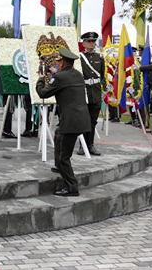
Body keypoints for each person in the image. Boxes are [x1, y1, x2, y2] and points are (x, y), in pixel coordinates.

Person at [36, 47, 91, 196]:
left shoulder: (60, 78)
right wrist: (56, 75)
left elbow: (43, 93)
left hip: (71, 121)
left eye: (58, 62)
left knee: (64, 156)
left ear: (62, 63)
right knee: (58, 133)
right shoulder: (77, 75)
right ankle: (58, 166)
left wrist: (41, 80)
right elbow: (66, 82)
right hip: (81, 119)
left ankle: (71, 187)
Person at [78, 32, 105, 156]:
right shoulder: (79, 58)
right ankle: (82, 146)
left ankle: (91, 145)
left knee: (93, 121)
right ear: (83, 43)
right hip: (84, 92)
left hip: (95, 92)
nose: (92, 43)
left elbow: (102, 76)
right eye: (89, 41)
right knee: (83, 120)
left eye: (94, 41)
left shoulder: (99, 58)